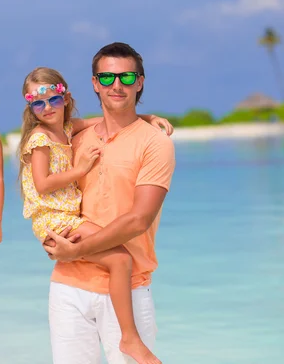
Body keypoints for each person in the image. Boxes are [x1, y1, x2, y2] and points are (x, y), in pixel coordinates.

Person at [18, 67, 172, 364]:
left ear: (66, 98)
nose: (47, 108)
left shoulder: (69, 129)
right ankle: (130, 338)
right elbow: (42, 184)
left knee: (122, 260)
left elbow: (110, 118)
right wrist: (80, 169)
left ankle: (128, 336)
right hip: (55, 220)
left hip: (68, 222)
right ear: (30, 107)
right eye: (38, 103)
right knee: (120, 259)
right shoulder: (40, 139)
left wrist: (147, 118)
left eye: (54, 100)